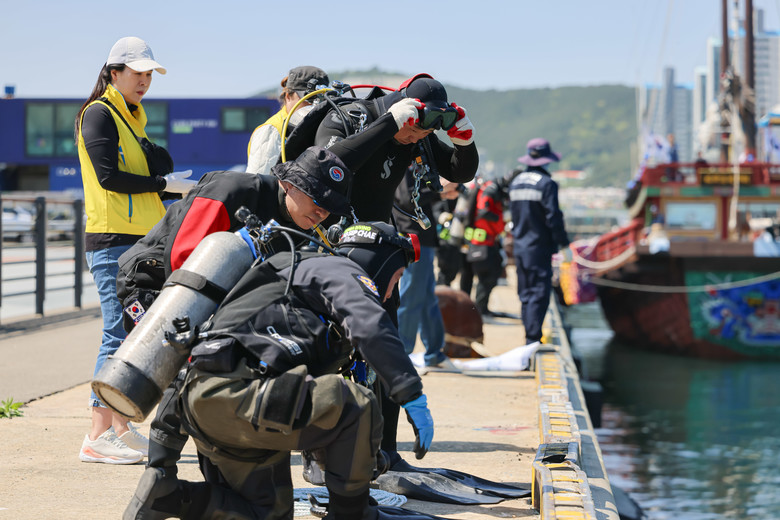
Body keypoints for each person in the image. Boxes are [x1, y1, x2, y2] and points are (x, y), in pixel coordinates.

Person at [124, 222, 434, 520]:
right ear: (379, 264)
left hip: (208, 410)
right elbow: (371, 326)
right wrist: (410, 393)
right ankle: (352, 516)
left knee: (269, 513)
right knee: (356, 404)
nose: (391, 293)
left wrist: (161, 465)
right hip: (243, 398)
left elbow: (193, 364)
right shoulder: (340, 270)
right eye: (397, 277)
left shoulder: (278, 275)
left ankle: (168, 497)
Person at [119, 147, 354, 506]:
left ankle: (215, 475)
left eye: (330, 207)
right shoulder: (232, 190)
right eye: (317, 200)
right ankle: (160, 471)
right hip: (158, 284)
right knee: (188, 367)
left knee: (225, 365)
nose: (323, 212)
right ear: (289, 184)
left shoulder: (300, 225)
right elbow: (182, 257)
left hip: (218, 294)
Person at [298, 74, 478, 465]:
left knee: (386, 346)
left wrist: (465, 142)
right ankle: (317, 453)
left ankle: (386, 452)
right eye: (413, 130)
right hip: (326, 247)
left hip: (377, 252)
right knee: (324, 352)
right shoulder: (350, 117)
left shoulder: (418, 133)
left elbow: (458, 172)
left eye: (422, 134)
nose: (416, 139)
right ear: (402, 110)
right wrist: (388, 125)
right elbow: (326, 166)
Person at [75, 36, 196, 465]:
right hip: (112, 241)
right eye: (138, 72)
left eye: (150, 74)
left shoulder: (131, 118)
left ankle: (121, 429)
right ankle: (97, 435)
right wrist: (164, 184)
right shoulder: (99, 114)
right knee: (117, 333)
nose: (145, 80)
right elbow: (108, 177)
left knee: (134, 335)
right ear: (114, 73)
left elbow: (138, 181)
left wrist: (170, 189)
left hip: (137, 242)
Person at [393, 169, 459, 370]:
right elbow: (407, 199)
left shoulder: (413, 164)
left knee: (427, 298)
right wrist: (440, 190)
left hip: (422, 238)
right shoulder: (403, 164)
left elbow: (416, 196)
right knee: (411, 297)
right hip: (412, 237)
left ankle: (434, 354)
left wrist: (441, 193)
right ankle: (401, 357)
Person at [509, 138, 570, 345]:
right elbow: (554, 218)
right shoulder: (547, 184)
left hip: (520, 247)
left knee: (525, 293)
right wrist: (564, 244)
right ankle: (533, 340)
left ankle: (529, 336)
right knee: (539, 293)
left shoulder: (516, 182)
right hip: (539, 248)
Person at [246, 66, 329, 175]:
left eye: (320, 99)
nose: (315, 105)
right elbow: (261, 180)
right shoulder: (272, 131)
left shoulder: (320, 126)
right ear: (288, 96)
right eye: (308, 99)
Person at [464, 175, 508, 318]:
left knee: (488, 275)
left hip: (483, 244)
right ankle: (479, 310)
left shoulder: (487, 189)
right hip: (482, 245)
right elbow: (483, 210)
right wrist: (500, 218)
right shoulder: (490, 190)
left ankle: (480, 309)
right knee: (487, 276)